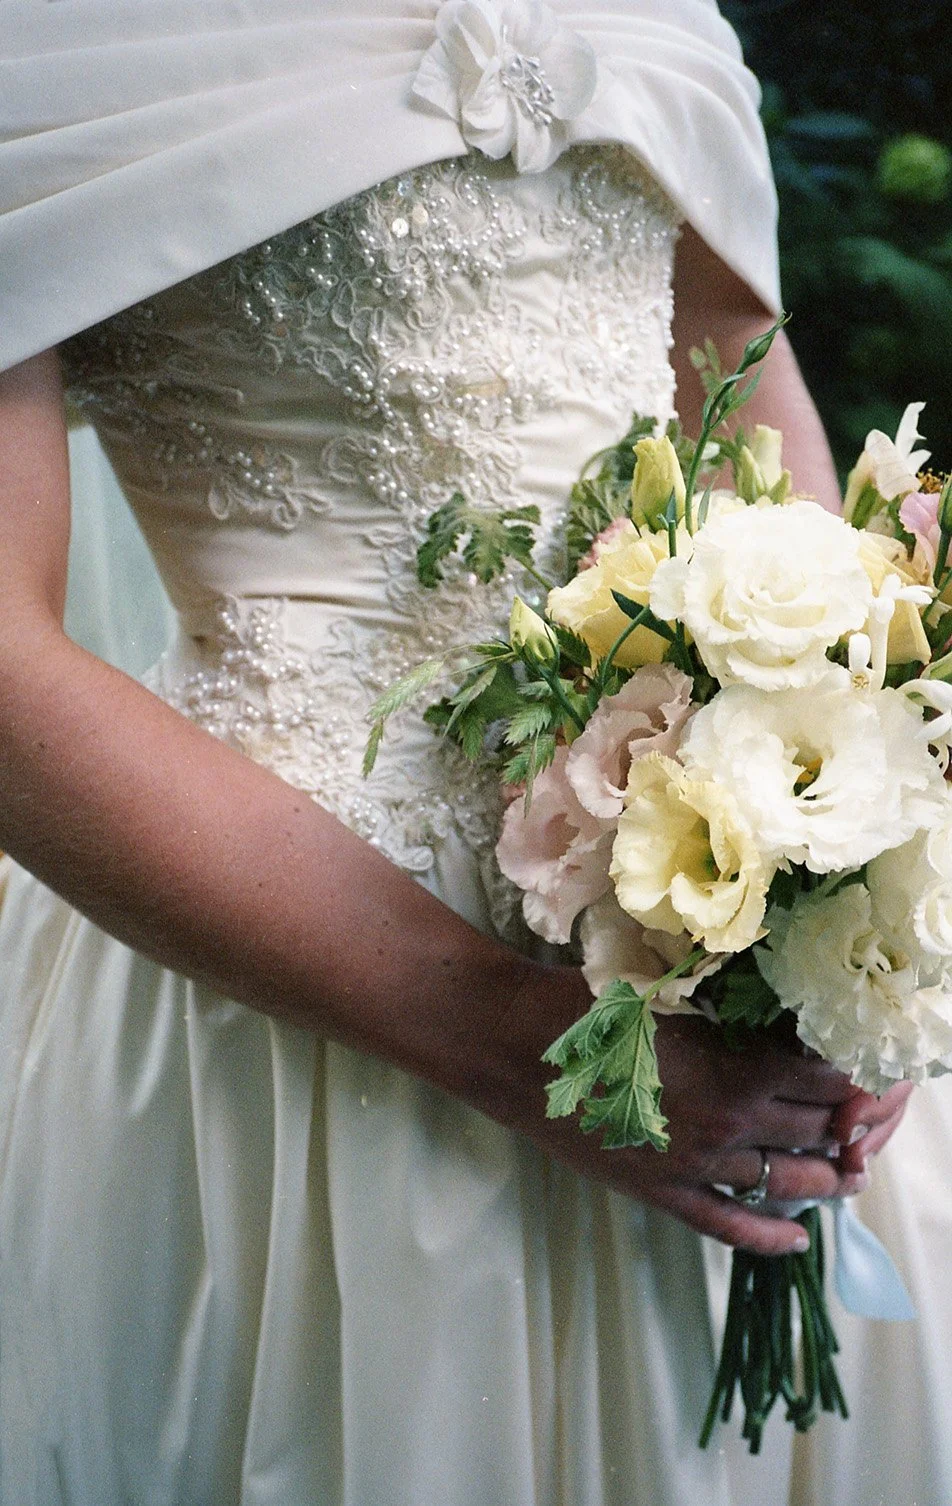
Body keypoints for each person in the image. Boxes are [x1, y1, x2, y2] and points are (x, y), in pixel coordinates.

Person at [0, 2, 945, 1502]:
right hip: (316, 1029)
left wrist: (848, 875)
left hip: (709, 955)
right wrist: (519, 1045)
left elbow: (743, 403)